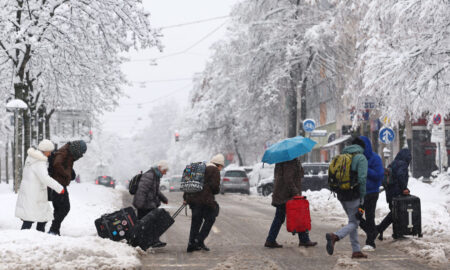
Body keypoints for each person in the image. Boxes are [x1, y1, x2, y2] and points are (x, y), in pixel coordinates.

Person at [326, 137, 368, 259]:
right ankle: (335, 236)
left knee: (352, 221)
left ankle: (356, 250)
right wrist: (362, 197)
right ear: (362, 147)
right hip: (353, 195)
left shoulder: (341, 156)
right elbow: (362, 179)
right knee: (355, 222)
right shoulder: (360, 158)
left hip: (341, 194)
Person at [264, 157, 317, 249]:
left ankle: (271, 240)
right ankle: (303, 239)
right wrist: (295, 192)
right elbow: (288, 179)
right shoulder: (290, 161)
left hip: (282, 193)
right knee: (297, 216)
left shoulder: (282, 160)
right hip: (286, 195)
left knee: (281, 217)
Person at [15, 140, 64, 232]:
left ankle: (38, 237)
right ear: (44, 150)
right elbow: (45, 178)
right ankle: (26, 238)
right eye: (49, 151)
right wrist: (59, 188)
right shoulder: (39, 162)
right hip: (35, 194)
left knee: (40, 217)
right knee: (30, 219)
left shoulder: (31, 158)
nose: (50, 154)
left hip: (31, 192)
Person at [184, 154, 223, 252]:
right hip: (205, 201)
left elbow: (189, 183)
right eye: (221, 167)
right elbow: (215, 188)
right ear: (219, 165)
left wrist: (186, 197)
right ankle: (199, 240)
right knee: (211, 218)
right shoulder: (215, 170)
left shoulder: (200, 168)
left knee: (196, 222)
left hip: (192, 199)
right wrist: (215, 189)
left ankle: (191, 244)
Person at [48, 140, 87, 235]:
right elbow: (57, 164)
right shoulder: (64, 152)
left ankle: (54, 230)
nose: (80, 155)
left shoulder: (68, 152)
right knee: (65, 207)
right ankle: (53, 229)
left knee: (59, 208)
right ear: (76, 149)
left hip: (59, 184)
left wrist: (70, 172)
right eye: (80, 152)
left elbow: (63, 164)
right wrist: (68, 174)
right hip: (58, 184)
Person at [132, 160, 169, 248]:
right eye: (164, 171)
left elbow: (156, 190)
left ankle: (152, 241)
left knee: (151, 223)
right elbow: (142, 191)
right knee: (148, 224)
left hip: (149, 204)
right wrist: (140, 205)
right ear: (160, 168)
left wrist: (163, 199)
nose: (165, 173)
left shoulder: (155, 176)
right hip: (145, 205)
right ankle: (144, 242)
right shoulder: (149, 175)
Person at [376, 148, 412, 240]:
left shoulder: (393, 163)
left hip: (390, 192)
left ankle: (396, 233)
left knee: (395, 213)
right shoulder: (403, 164)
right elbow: (400, 175)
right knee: (396, 213)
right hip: (397, 193)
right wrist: (404, 188)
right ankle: (380, 228)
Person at [358, 136, 384, 251]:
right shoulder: (357, 159)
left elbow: (379, 175)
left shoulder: (375, 158)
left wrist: (365, 169)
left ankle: (370, 242)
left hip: (372, 194)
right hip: (360, 195)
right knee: (356, 216)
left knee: (369, 216)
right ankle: (372, 232)